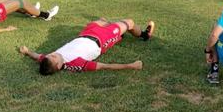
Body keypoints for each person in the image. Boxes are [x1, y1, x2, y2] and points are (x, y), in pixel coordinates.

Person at [19, 18, 155, 75]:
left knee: (101, 20)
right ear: (59, 66)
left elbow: (38, 56)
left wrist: (27, 51)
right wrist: (131, 65)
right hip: (101, 39)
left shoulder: (48, 60)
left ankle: (119, 34)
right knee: (129, 22)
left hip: (85, 34)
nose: (52, 53)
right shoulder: (76, 63)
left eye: (50, 54)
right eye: (54, 56)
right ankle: (145, 35)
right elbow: (104, 66)